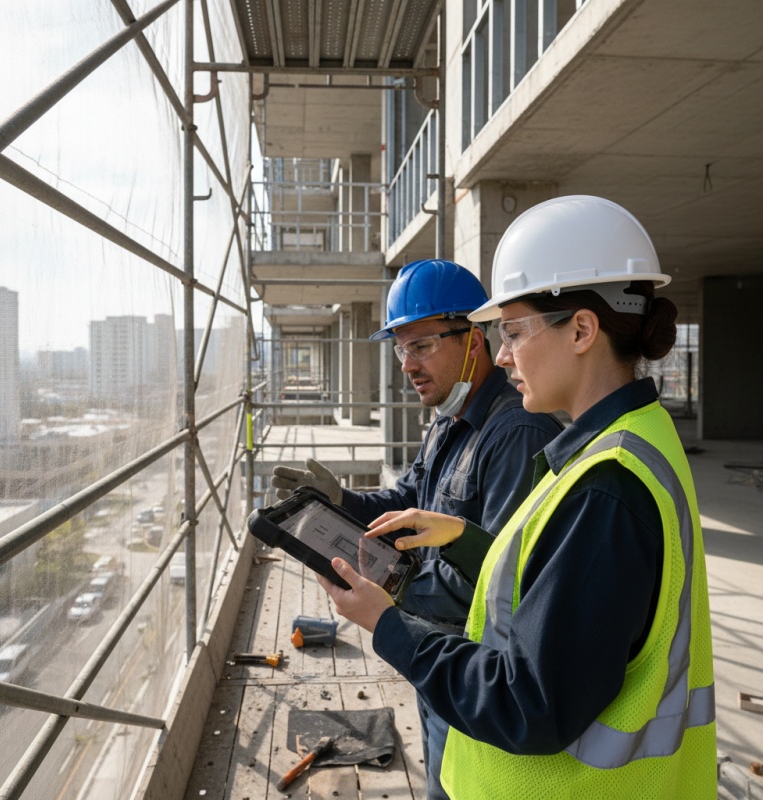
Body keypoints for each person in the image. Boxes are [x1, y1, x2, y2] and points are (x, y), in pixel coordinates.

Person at [316, 196, 716, 799]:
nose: (503, 355)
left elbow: (529, 704)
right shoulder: (621, 444)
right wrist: (455, 534)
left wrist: (385, 622)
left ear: (582, 329)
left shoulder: (605, 486)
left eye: (512, 332)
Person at [271, 258, 563, 799]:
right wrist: (340, 501)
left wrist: (390, 595)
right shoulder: (451, 419)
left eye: (422, 345)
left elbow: (500, 578)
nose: (406, 364)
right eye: (401, 348)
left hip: (473, 669)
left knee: (456, 787)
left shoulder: (516, 432)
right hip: (434, 655)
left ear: (474, 339)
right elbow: (408, 498)